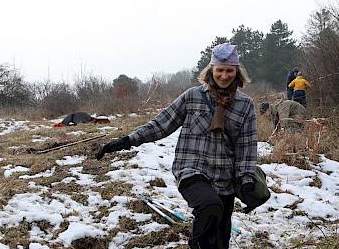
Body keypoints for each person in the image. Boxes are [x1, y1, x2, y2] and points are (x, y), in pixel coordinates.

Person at [95, 43, 258, 249]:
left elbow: (247, 146)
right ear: (211, 70)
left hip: (225, 177)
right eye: (220, 70)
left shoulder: (245, 105)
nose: (224, 76)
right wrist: (127, 140)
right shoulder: (192, 96)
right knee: (209, 206)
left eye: (229, 71)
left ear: (237, 72)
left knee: (220, 238)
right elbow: (161, 124)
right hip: (191, 170)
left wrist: (246, 179)